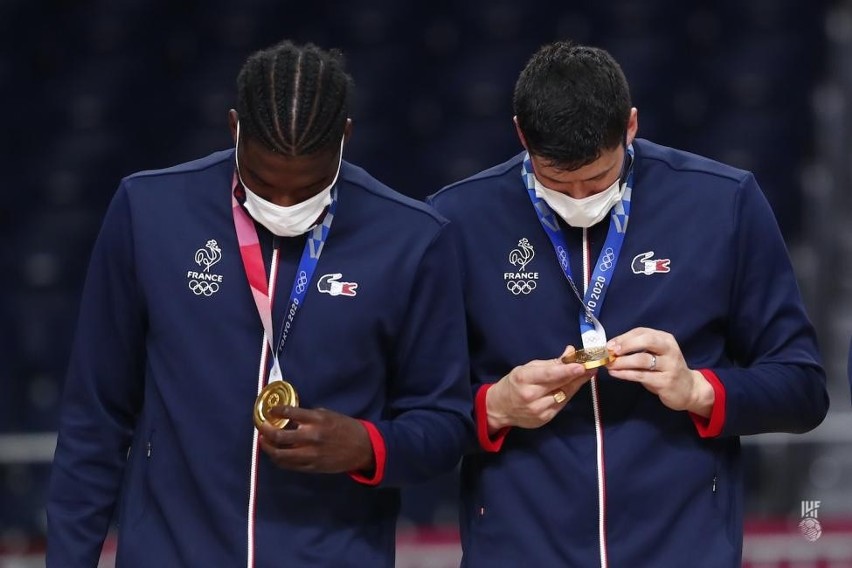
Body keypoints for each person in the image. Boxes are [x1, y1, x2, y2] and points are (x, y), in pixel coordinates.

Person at [46, 40, 473, 567]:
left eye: (310, 186)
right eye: (264, 183)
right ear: (233, 128)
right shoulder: (148, 212)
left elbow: (446, 423)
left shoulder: (412, 239)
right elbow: (96, 416)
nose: (285, 204)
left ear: (345, 138)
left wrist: (368, 446)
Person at [428, 40, 829, 567]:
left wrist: (698, 389)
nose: (576, 198)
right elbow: (412, 406)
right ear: (522, 134)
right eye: (555, 180)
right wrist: (492, 408)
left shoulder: (722, 203)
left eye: (596, 179)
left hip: (684, 550)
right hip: (518, 549)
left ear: (632, 126)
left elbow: (802, 390)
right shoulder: (456, 220)